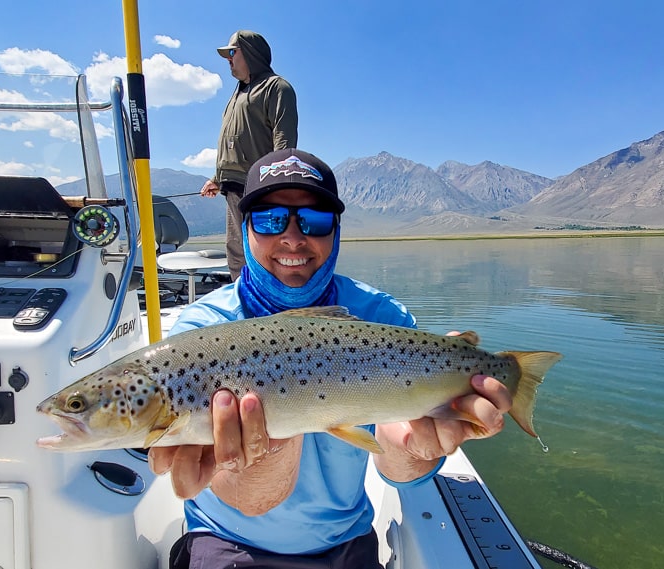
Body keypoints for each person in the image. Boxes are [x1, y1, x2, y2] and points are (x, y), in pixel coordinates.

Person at [150, 149, 514, 569]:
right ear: (244, 227)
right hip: (228, 542)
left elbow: (397, 461)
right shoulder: (200, 338)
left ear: (336, 231)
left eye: (315, 220)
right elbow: (247, 500)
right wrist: (269, 449)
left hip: (346, 544)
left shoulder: (382, 318)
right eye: (270, 219)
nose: (292, 237)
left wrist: (418, 448)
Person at [200, 30, 299, 281]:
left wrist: (275, 185)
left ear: (251, 54)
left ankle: (270, 313)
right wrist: (216, 178)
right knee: (237, 253)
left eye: (233, 52)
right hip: (232, 187)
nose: (228, 59)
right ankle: (245, 309)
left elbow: (284, 141)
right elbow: (233, 141)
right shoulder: (236, 94)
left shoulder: (276, 88)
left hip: (259, 188)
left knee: (262, 254)